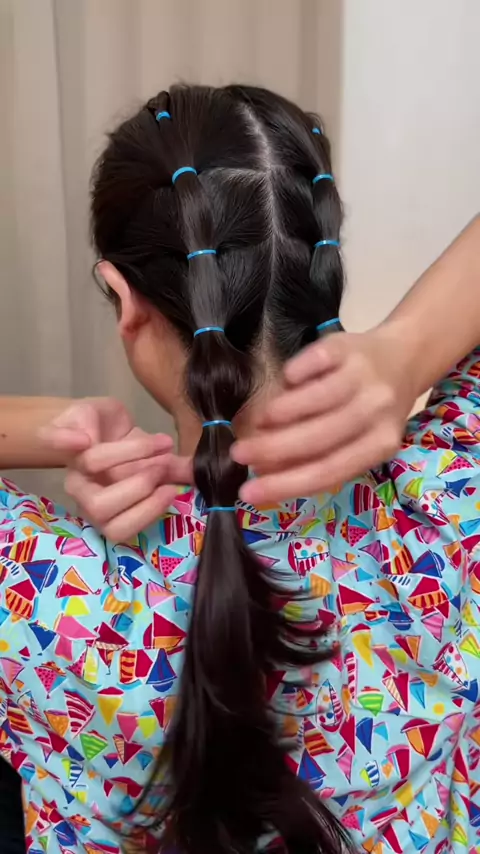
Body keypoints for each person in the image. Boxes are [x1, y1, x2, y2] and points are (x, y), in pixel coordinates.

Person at [0, 84, 479, 854]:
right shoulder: (448, 504)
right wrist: (410, 347)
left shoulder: (50, 598)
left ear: (124, 299)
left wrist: (56, 429)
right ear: (322, 270)